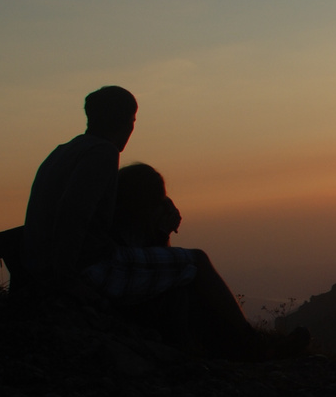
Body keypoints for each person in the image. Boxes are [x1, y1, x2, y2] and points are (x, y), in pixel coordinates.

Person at [21, 86, 307, 360]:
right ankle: (252, 344)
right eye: (132, 121)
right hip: (87, 269)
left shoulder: (62, 151)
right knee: (196, 261)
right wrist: (67, 280)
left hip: (40, 267)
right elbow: (73, 216)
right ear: (126, 121)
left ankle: (218, 344)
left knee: (173, 267)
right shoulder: (102, 153)